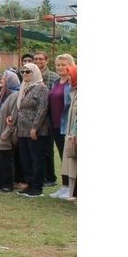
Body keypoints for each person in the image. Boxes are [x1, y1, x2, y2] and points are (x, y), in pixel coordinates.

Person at [13, 63, 51, 198]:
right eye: (22, 72)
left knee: (37, 159)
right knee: (26, 158)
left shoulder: (41, 88)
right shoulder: (24, 87)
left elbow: (42, 110)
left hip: (36, 130)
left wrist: (35, 127)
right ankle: (29, 184)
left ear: (34, 72)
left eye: (28, 72)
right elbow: (20, 108)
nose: (24, 74)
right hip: (22, 129)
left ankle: (37, 187)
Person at [48, 56, 77, 198]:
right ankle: (64, 186)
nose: (60, 67)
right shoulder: (55, 82)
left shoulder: (72, 83)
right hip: (54, 124)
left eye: (63, 65)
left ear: (71, 66)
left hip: (66, 124)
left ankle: (70, 187)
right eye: (58, 64)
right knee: (61, 156)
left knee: (68, 157)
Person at [0, 69, 22, 192]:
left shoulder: (14, 95)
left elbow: (13, 116)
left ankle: (7, 184)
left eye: (4, 78)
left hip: (5, 131)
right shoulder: (1, 93)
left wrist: (7, 132)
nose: (2, 80)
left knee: (6, 159)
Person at [57, 66, 77, 201]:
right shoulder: (74, 92)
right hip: (71, 133)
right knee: (72, 164)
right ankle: (72, 193)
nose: (68, 78)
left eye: (70, 75)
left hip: (76, 134)